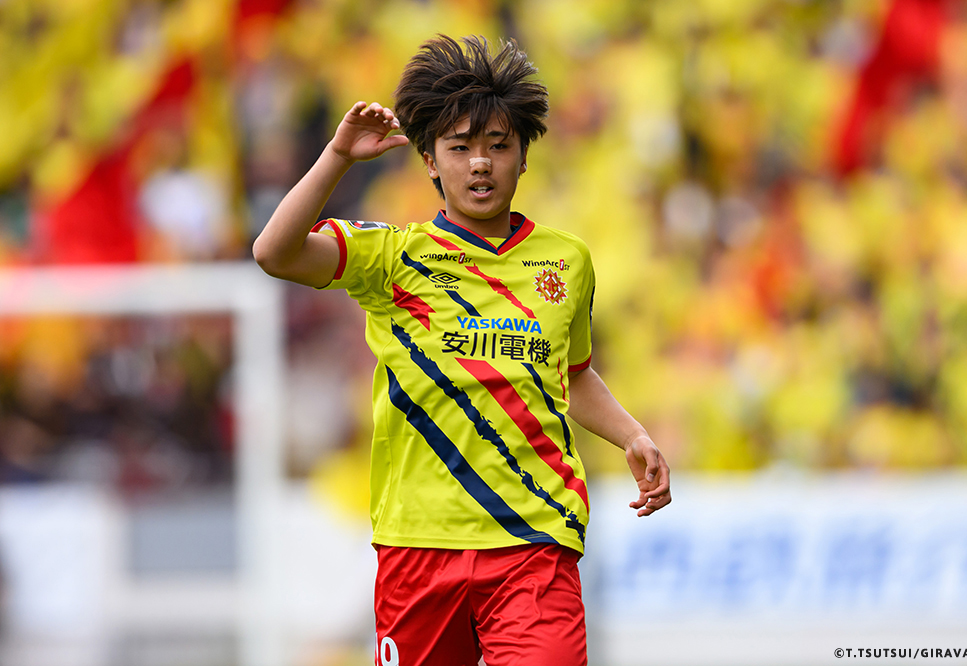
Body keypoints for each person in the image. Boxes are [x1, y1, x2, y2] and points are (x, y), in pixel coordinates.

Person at [253, 34, 671, 666]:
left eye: (499, 146)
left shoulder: (567, 261)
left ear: (523, 158)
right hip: (417, 546)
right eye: (460, 147)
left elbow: (573, 374)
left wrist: (632, 434)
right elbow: (274, 253)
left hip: (534, 538)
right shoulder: (392, 256)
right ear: (429, 160)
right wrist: (337, 156)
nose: (480, 163)